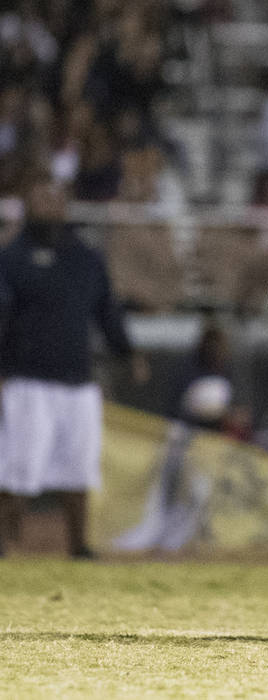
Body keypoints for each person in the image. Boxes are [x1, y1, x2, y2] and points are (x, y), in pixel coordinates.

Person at [0, 171, 146, 558]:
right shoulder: (10, 259)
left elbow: (106, 312)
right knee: (18, 469)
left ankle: (79, 545)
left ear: (65, 203)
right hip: (26, 381)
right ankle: (5, 543)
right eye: (40, 198)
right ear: (27, 205)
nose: (48, 205)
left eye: (54, 197)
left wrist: (126, 352)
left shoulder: (85, 258)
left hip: (78, 380)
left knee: (78, 467)